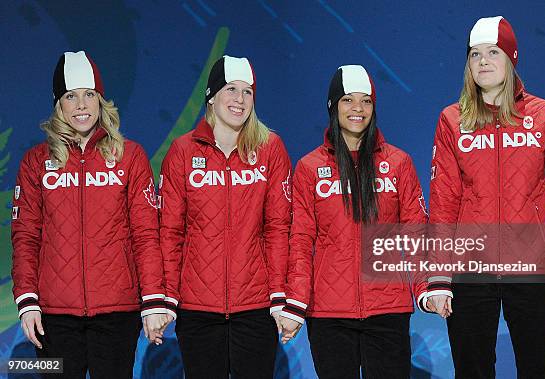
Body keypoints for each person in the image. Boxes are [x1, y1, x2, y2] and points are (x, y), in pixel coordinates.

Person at [426, 16, 545, 378]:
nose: (483, 62)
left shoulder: (544, 115)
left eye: (493, 53)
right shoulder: (452, 120)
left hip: (531, 270)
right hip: (470, 270)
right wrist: (439, 277)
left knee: (538, 370)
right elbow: (443, 203)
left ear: (511, 58)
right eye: (475, 55)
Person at [11, 51, 168, 378]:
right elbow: (26, 237)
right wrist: (27, 301)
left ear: (100, 101)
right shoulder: (35, 162)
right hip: (53, 316)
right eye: (71, 96)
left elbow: (146, 235)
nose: (81, 105)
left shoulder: (130, 156)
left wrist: (153, 300)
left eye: (88, 95)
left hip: (116, 313)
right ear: (59, 105)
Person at [279, 65, 429, 378]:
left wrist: (426, 287)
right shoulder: (309, 168)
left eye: (366, 101)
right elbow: (301, 240)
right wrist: (295, 301)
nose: (357, 108)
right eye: (348, 100)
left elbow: (416, 232)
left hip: (388, 310)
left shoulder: (398, 163)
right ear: (333, 106)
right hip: (329, 314)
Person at [159, 55, 292, 378]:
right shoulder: (183, 151)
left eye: (247, 92)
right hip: (197, 308)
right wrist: (166, 297)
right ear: (211, 95)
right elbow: (170, 231)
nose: (240, 99)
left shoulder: (270, 149)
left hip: (256, 306)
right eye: (231, 89)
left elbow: (278, 228)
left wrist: (278, 295)